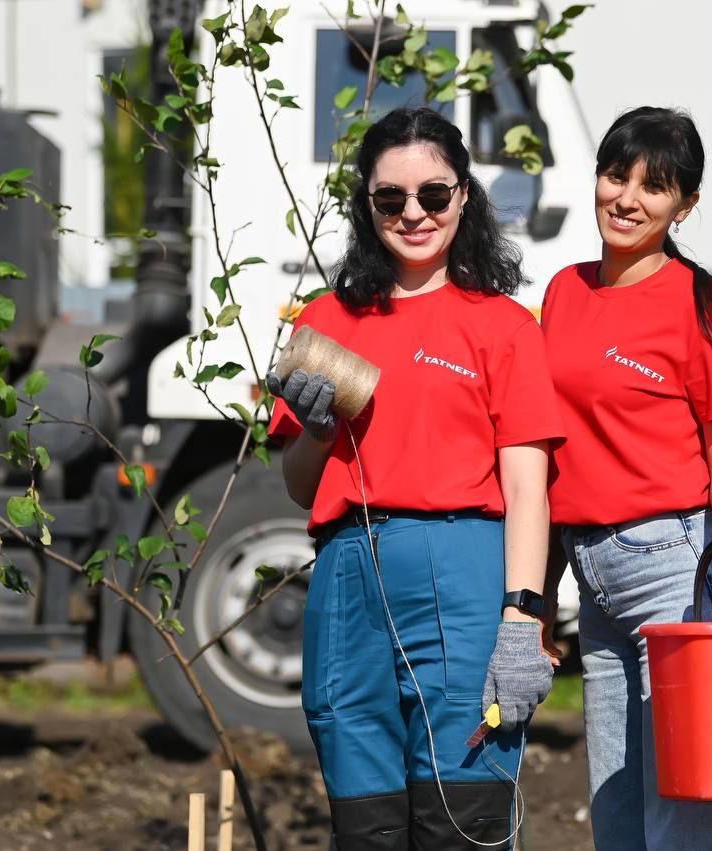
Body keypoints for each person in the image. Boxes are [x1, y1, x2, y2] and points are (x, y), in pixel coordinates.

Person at [267, 107, 562, 851]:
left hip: (461, 575)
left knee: (459, 824)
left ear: (464, 196)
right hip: (347, 577)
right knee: (365, 829)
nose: (414, 213)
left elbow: (528, 487)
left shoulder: (502, 326)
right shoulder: (326, 320)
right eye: (390, 198)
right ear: (366, 206)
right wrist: (320, 430)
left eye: (434, 194)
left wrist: (523, 619)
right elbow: (302, 485)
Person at [539, 106, 712, 851]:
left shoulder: (711, 308)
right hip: (593, 580)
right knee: (622, 824)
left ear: (686, 205)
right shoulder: (564, 292)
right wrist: (538, 592)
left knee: (694, 816)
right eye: (616, 174)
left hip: (682, 566)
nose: (628, 198)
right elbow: (545, 454)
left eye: (656, 186)